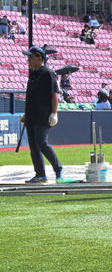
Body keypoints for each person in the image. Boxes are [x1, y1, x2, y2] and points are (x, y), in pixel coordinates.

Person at [21, 46, 63, 183]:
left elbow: (54, 94)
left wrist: (54, 113)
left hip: (43, 116)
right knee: (34, 146)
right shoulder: (33, 74)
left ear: (40, 58)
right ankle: (40, 174)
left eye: (30, 57)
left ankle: (58, 169)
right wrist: (26, 114)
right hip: (32, 117)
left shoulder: (47, 73)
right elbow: (31, 97)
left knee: (41, 142)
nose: (28, 60)